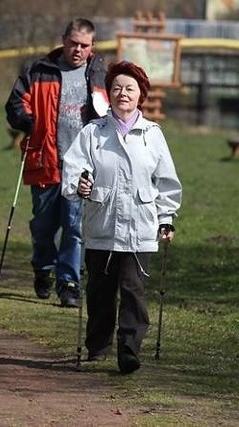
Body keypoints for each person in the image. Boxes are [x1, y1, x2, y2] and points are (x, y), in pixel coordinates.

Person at [61, 61, 182, 374]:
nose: (122, 94)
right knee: (100, 291)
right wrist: (80, 184)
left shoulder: (153, 134)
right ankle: (98, 346)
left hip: (140, 227)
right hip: (102, 223)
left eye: (129, 89)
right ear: (109, 94)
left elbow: (167, 182)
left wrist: (166, 217)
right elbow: (74, 168)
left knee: (133, 290)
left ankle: (129, 349)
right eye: (116, 88)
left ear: (140, 94)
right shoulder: (93, 132)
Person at [4, 18, 109, 308]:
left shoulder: (100, 74)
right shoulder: (39, 70)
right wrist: (28, 120)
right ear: (63, 39)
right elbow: (15, 103)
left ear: (92, 47)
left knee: (75, 227)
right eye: (73, 43)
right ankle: (43, 268)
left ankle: (69, 283)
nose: (78, 50)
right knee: (43, 225)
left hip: (83, 166)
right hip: (45, 159)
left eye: (84, 45)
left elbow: (115, 109)